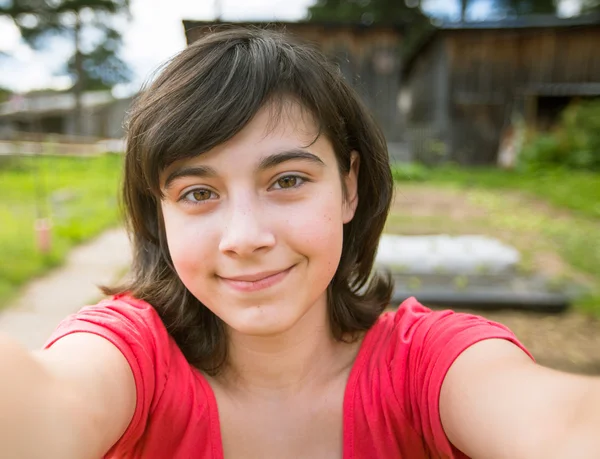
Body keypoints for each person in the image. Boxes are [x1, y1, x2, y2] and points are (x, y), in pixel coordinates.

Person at [1, 27, 599, 459]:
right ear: (160, 218)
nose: (245, 238)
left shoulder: (429, 366)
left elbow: (558, 423)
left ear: (348, 188)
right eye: (197, 194)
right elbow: (43, 408)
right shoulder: (129, 361)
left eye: (287, 181)